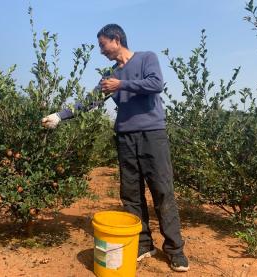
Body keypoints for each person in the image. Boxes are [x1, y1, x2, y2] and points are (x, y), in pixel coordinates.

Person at [41, 24, 189, 272]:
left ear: (116, 39)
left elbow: (156, 84)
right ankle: (144, 243)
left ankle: (175, 249)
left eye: (102, 45)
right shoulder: (111, 75)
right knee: (131, 193)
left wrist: (121, 85)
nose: (101, 51)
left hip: (152, 134)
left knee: (162, 190)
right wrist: (60, 115)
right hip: (125, 138)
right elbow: (89, 101)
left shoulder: (146, 58)